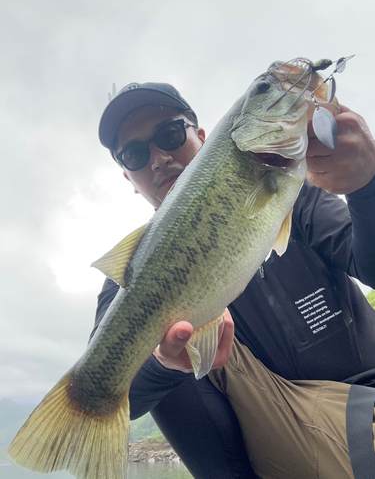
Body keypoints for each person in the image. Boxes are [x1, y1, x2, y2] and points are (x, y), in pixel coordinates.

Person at [91, 81, 375, 478]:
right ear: (129, 177)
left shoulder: (292, 193)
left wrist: (366, 188)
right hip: (281, 448)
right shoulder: (128, 282)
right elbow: (118, 398)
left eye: (170, 135)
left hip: (364, 402)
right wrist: (162, 364)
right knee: (166, 344)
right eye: (135, 154)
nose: (158, 158)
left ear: (202, 137)